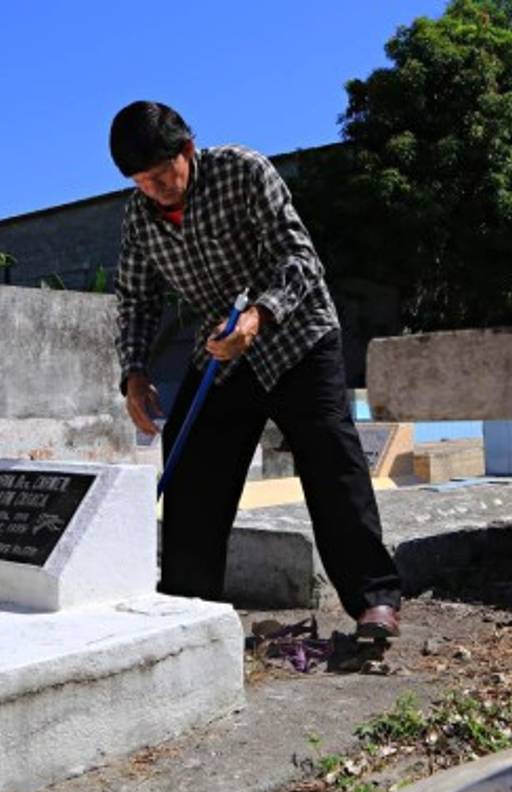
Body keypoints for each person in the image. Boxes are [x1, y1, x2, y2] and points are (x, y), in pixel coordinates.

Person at [108, 101, 402, 638]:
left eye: (161, 175)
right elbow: (136, 298)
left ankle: (373, 600)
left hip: (297, 336)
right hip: (222, 352)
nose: (154, 190)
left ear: (187, 150)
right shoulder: (138, 217)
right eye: (141, 183)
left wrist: (259, 315)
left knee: (331, 462)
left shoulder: (243, 170)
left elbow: (300, 257)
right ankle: (187, 612)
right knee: (191, 469)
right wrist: (135, 372)